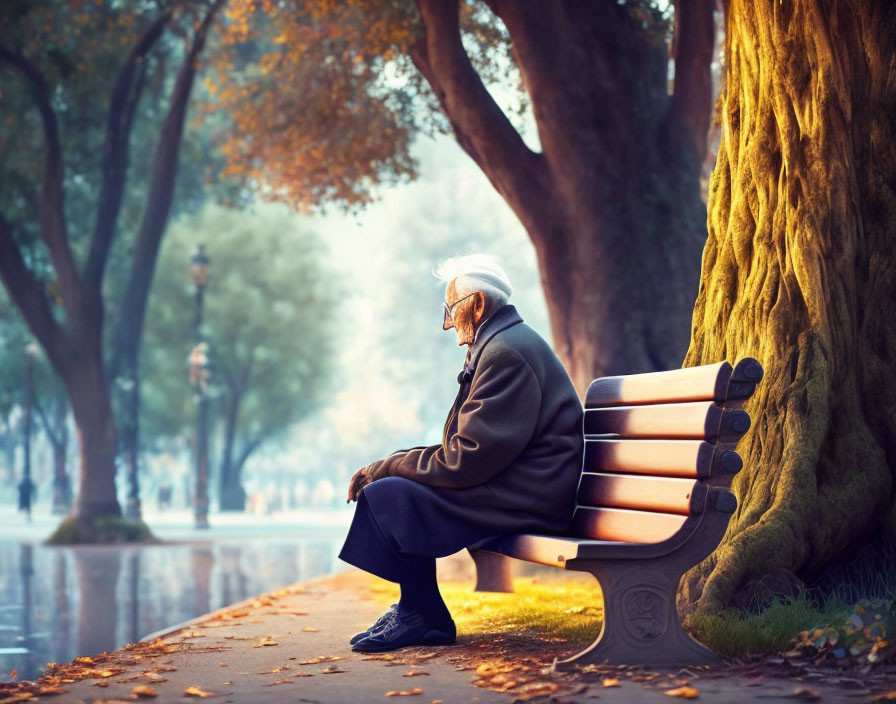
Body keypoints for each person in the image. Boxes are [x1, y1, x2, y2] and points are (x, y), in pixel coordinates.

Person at [339, 253, 584, 653]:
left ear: (479, 304)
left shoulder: (506, 352)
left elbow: (465, 460)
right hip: (521, 486)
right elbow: (469, 451)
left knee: (392, 495)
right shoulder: (501, 344)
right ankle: (418, 611)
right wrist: (388, 466)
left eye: (450, 309)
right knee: (394, 490)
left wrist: (386, 468)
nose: (447, 323)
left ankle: (421, 615)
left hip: (530, 497)